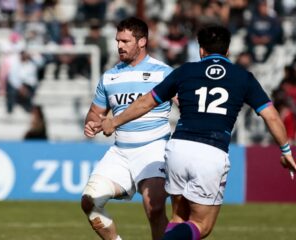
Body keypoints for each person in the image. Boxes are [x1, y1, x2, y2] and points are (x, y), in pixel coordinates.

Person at [100, 25, 296, 239]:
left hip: (178, 149)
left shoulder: (185, 71)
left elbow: (146, 102)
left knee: (178, 219)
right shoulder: (242, 77)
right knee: (202, 226)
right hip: (211, 151)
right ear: (228, 51)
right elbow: (272, 116)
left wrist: (115, 121)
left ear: (201, 50)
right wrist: (286, 151)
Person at [81, 17, 173, 240]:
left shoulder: (164, 73)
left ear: (142, 42)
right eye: (117, 41)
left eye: (125, 41)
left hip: (154, 149)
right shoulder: (110, 76)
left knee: (155, 208)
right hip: (121, 152)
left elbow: (188, 105)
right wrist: (92, 123)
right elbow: (95, 112)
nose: (119, 46)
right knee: (89, 201)